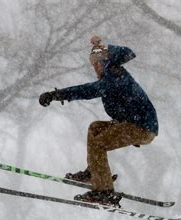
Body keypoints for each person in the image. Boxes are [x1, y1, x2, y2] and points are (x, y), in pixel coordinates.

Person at [39, 36, 158, 206]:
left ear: (105, 61)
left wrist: (57, 95)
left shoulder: (114, 75)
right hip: (134, 124)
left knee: (98, 144)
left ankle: (104, 192)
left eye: (97, 62)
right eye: (93, 63)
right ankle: (94, 172)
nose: (95, 67)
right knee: (95, 128)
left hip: (140, 127)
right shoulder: (111, 76)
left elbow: (88, 90)